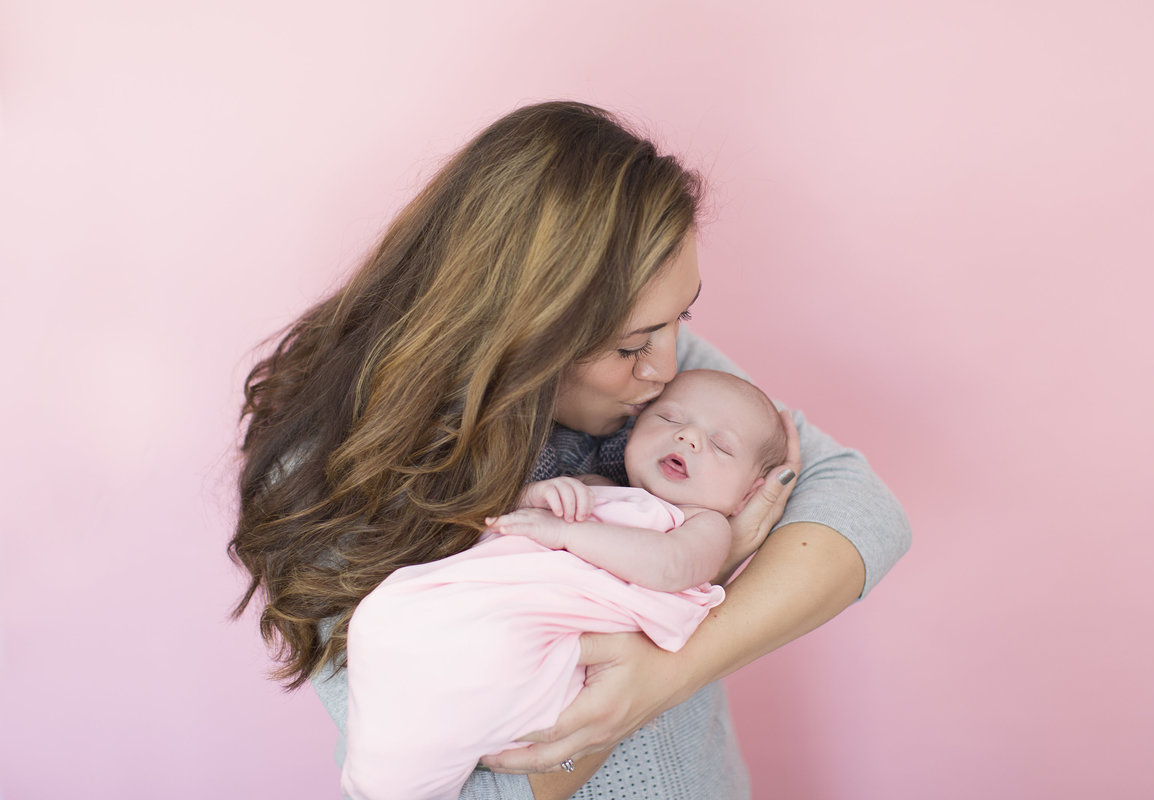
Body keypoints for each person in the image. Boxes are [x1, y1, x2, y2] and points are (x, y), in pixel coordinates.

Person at [229, 100, 910, 800]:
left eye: (683, 316)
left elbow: (862, 507)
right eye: (631, 344)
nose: (667, 366)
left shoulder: (656, 394)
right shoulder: (322, 477)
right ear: (520, 331)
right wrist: (649, 648)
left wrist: (677, 659)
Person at [341, 369, 788, 800]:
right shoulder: (595, 485)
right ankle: (385, 769)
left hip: (549, 641)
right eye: (669, 418)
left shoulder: (703, 524)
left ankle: (398, 782)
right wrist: (534, 498)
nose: (689, 437)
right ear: (631, 434)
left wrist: (568, 533)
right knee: (383, 618)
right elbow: (501, 533)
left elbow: (670, 566)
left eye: (721, 446)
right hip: (499, 601)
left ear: (748, 495)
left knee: (485, 668)